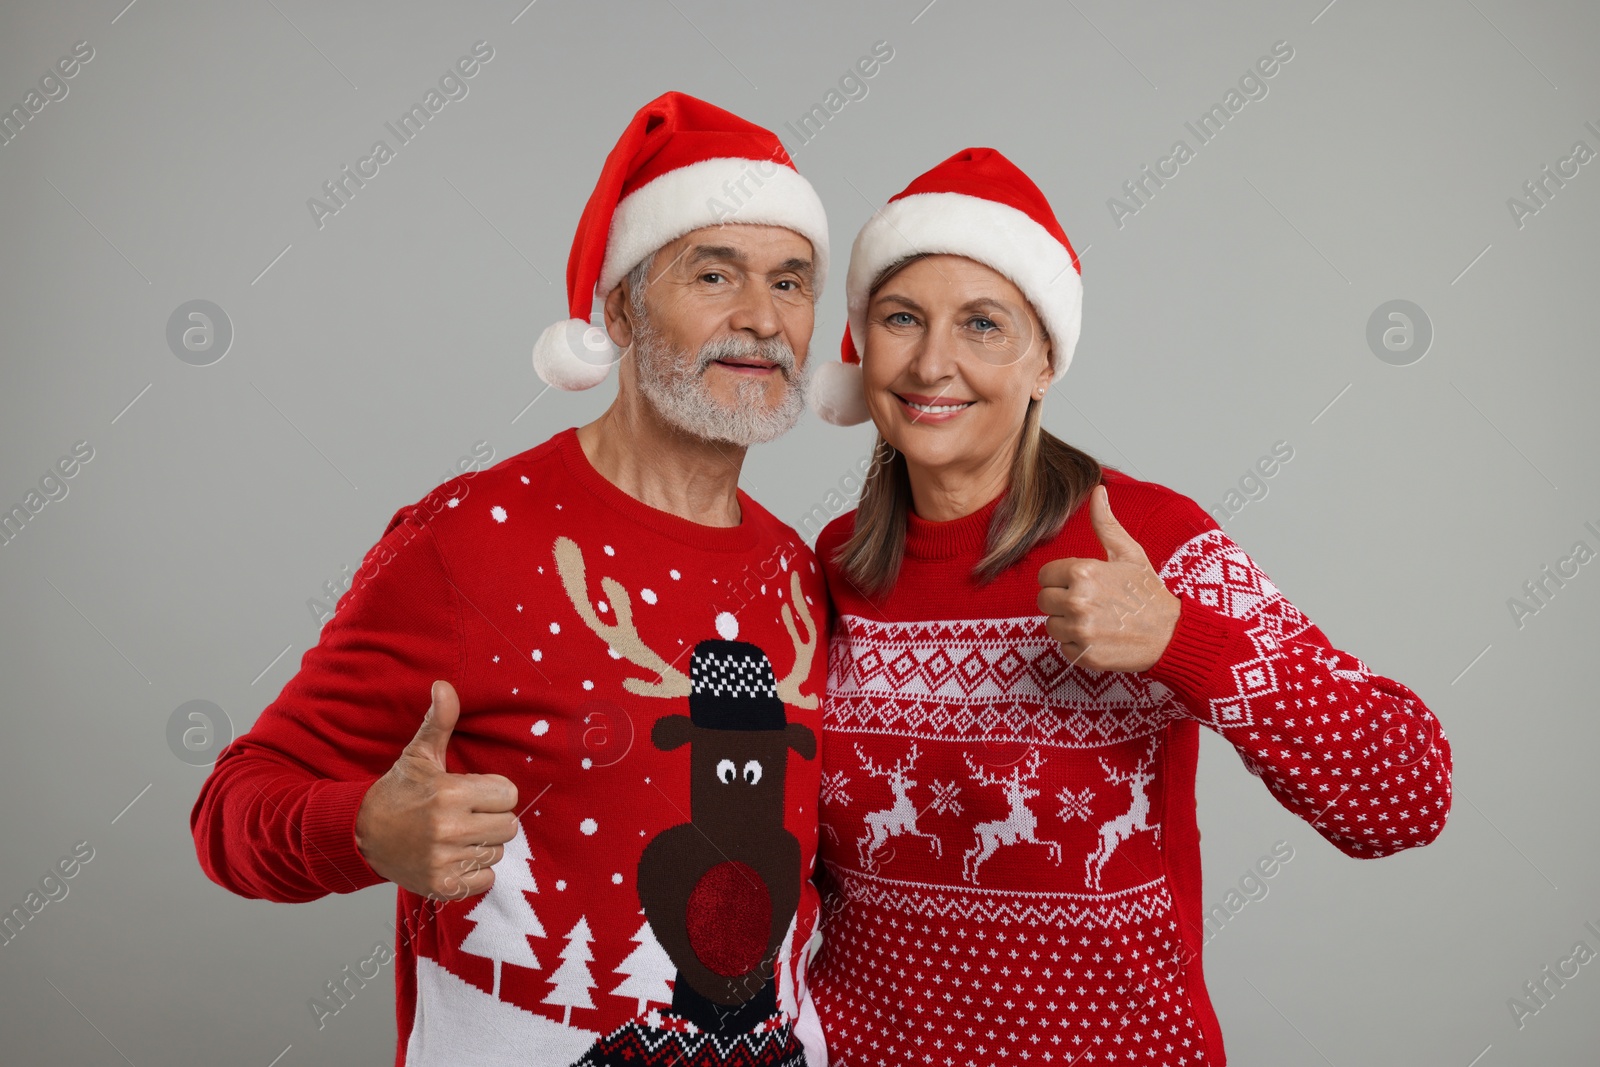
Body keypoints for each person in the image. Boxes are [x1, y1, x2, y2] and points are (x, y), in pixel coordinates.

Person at [190, 91, 835, 1067]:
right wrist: (365, 828)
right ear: (619, 306)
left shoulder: (799, 571)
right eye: (715, 273)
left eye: (791, 282)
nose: (760, 316)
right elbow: (231, 811)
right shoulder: (470, 541)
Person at [802, 147, 1453, 1065]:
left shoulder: (1149, 540)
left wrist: (1182, 641)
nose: (934, 361)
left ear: (1043, 363)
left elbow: (1407, 794)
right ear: (865, 345)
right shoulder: (828, 565)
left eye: (983, 325)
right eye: (903, 318)